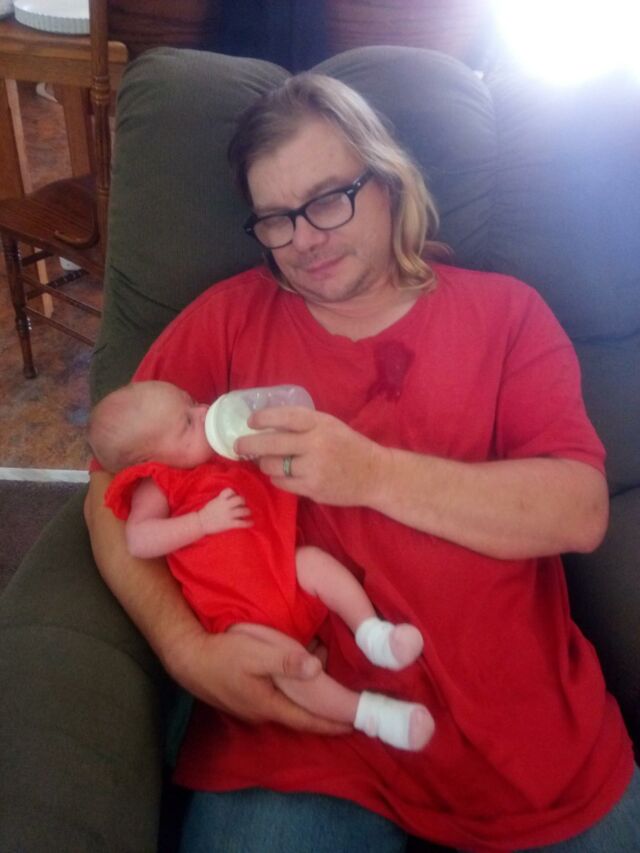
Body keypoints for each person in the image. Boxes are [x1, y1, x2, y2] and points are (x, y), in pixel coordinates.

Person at [84, 73, 639, 852]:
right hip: (300, 730)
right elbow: (107, 489)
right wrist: (187, 651)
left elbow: (578, 511)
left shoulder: (504, 313)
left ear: (387, 179)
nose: (304, 239)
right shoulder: (228, 320)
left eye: (327, 200)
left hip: (518, 733)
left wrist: (372, 474)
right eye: (276, 218)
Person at [88, 379, 433, 752]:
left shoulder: (222, 450)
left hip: (284, 573)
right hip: (241, 616)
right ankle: (369, 714)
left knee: (315, 564)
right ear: (148, 461)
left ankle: (373, 634)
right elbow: (139, 540)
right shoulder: (158, 482)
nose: (203, 413)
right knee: (289, 667)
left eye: (194, 403)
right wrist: (201, 522)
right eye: (187, 423)